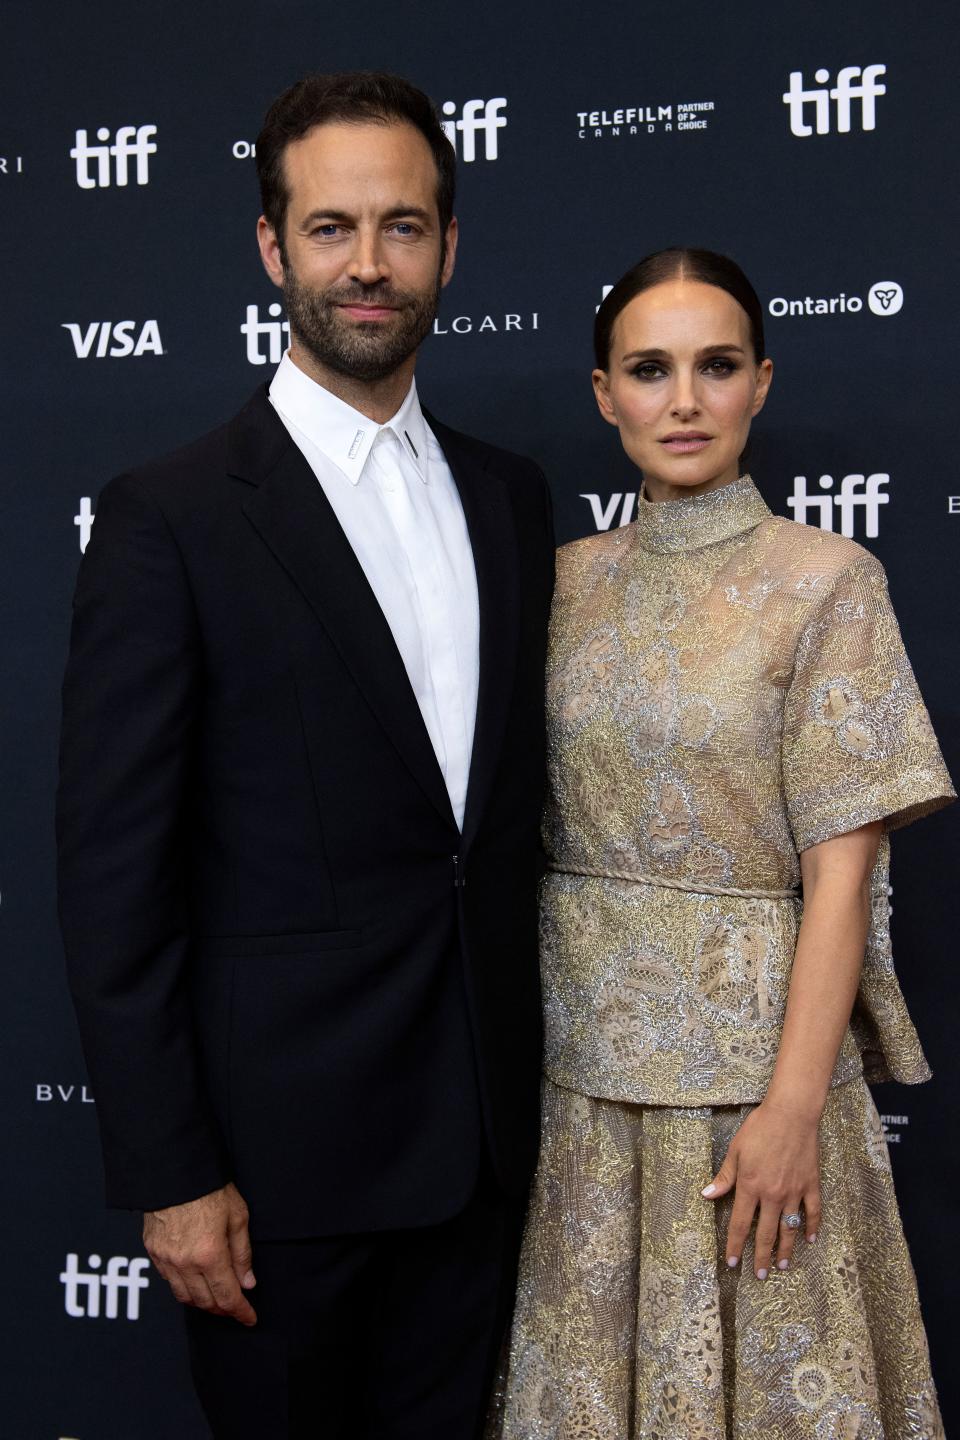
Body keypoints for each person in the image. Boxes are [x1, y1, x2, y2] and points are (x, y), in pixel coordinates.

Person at [56, 71, 554, 1440]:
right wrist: (172, 1170)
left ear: (450, 248)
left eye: (403, 226)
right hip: (277, 1188)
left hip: (489, 1157)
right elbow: (114, 878)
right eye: (331, 228)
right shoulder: (169, 519)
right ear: (274, 250)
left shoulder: (514, 498)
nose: (369, 263)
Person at [490, 248, 953, 1439]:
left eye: (717, 367)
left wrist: (793, 1109)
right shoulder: (556, 586)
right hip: (584, 1104)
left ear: (761, 384)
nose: (684, 400)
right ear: (604, 394)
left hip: (759, 1094)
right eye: (650, 370)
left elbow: (842, 875)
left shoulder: (829, 580)